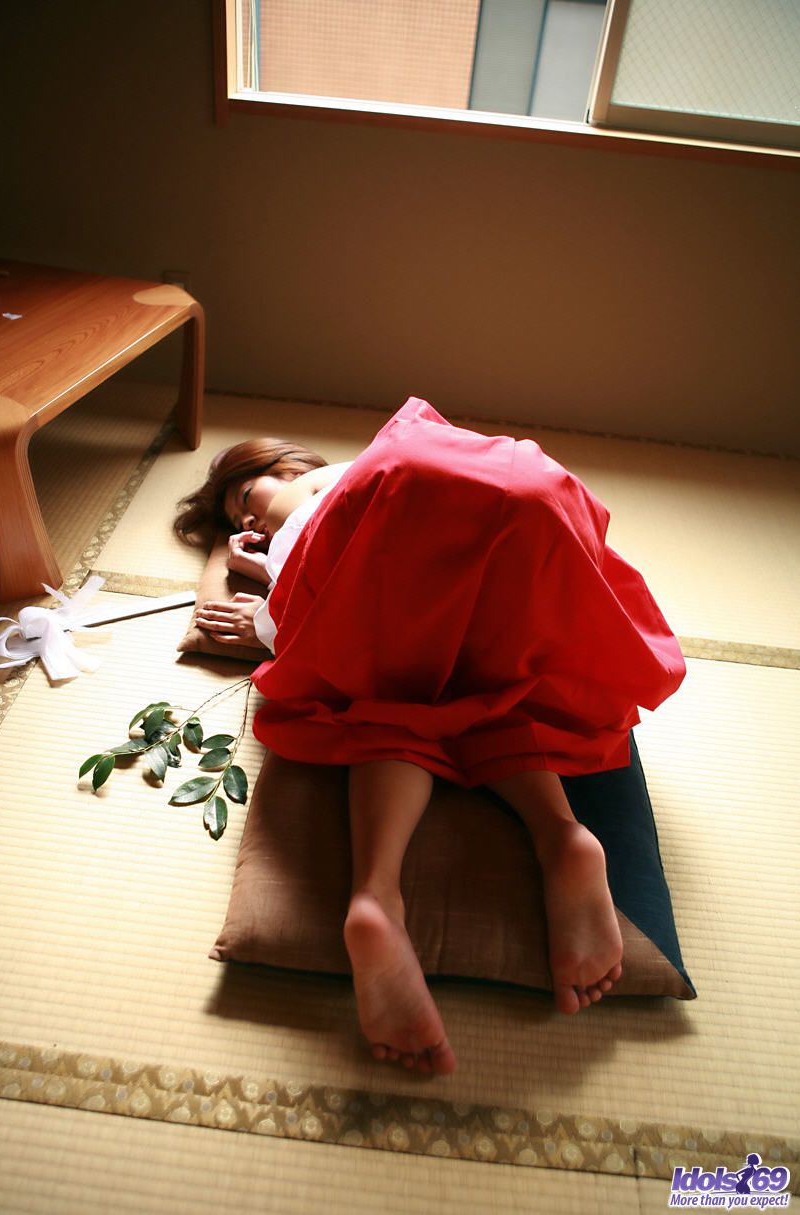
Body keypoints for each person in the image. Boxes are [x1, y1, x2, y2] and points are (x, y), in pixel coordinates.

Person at [175, 399, 686, 1076]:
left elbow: (324, 584)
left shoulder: (321, 490)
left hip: (402, 497)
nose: (245, 522)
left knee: (379, 703)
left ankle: (376, 894)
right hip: (523, 503)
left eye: (246, 497)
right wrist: (265, 561)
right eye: (236, 523)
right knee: (490, 692)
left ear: (290, 467)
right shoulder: (330, 499)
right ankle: (561, 835)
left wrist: (268, 611)